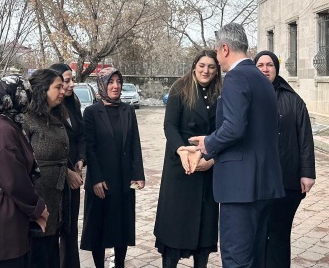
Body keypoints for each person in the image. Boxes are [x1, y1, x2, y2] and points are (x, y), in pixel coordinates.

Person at [188, 22, 284, 268]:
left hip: (241, 187)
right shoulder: (262, 79)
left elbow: (234, 127)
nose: (217, 57)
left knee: (236, 259)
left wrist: (208, 143)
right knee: (256, 258)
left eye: (217, 51)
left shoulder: (235, 77)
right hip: (264, 183)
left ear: (225, 48)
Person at [0, 74, 49, 268]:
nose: (29, 98)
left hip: (7, 217)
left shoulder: (7, 124)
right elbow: (14, 180)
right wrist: (38, 208)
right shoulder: (3, 131)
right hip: (1, 223)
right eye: (25, 92)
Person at [154, 50, 222, 268]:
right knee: (174, 229)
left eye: (211, 67)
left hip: (206, 166)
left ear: (217, 70)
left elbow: (224, 129)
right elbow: (170, 125)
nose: (206, 71)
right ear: (194, 66)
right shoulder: (180, 88)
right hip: (180, 166)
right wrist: (181, 150)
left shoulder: (222, 91)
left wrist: (211, 157)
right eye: (202, 65)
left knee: (203, 233)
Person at [254, 50, 316, 268]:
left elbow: (305, 137)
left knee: (279, 232)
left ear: (276, 69)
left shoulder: (294, 100)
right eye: (260, 65)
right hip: (257, 179)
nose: (265, 69)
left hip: (286, 179)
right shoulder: (248, 96)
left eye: (269, 65)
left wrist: (307, 173)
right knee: (258, 232)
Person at [80, 67, 145, 268]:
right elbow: (89, 148)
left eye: (118, 82)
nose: (115, 86)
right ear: (102, 84)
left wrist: (138, 174)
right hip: (101, 180)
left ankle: (120, 264)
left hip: (124, 178)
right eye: (110, 82)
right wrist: (96, 179)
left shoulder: (128, 110)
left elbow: (135, 143)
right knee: (98, 227)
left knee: (122, 225)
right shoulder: (91, 112)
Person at [24, 68, 69, 268]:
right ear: (43, 90)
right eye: (58, 87)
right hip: (37, 198)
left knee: (51, 251)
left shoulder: (55, 115)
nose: (63, 91)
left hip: (56, 197)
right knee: (37, 254)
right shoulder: (27, 119)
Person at [49, 63, 86, 268]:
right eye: (66, 81)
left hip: (74, 177)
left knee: (70, 229)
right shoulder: (47, 110)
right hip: (54, 179)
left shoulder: (73, 102)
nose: (71, 85)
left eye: (72, 80)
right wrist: (67, 172)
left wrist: (81, 157)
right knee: (53, 229)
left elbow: (81, 135)